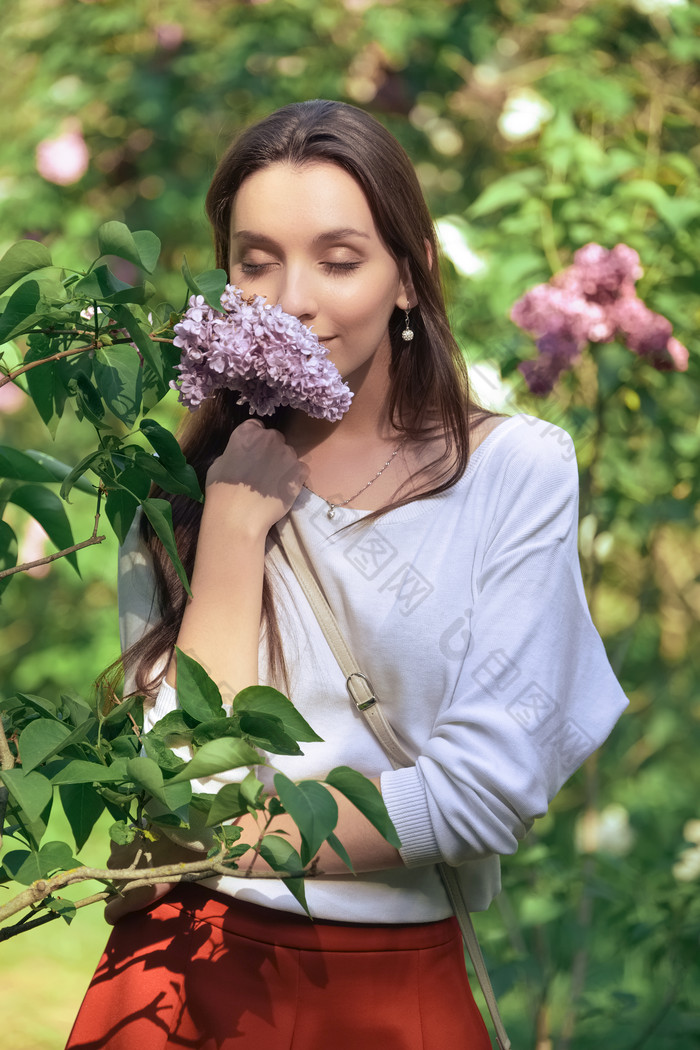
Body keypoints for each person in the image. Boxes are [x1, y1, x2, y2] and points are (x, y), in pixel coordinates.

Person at [66, 99, 628, 1050]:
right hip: (175, 977)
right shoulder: (172, 490)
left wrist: (235, 841)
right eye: (256, 261)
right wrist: (236, 532)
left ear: (411, 277)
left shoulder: (512, 470)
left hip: (389, 986)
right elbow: (171, 785)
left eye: (338, 259)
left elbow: (487, 788)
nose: (292, 299)